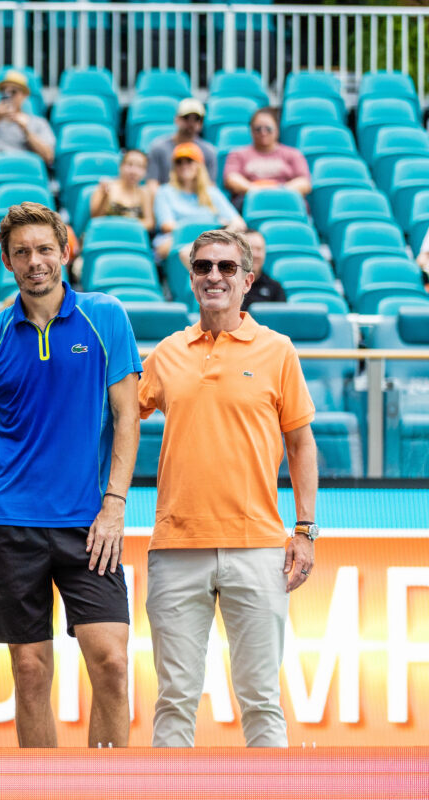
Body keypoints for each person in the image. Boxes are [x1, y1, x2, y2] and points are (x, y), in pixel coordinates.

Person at [0, 201, 140, 748]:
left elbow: (127, 418)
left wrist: (114, 506)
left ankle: (107, 792)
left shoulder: (105, 316)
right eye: (22, 252)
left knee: (111, 663)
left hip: (91, 525)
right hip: (11, 522)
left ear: (65, 252)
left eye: (45, 249)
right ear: (6, 261)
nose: (35, 261)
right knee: (31, 672)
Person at [139, 229, 318, 747]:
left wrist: (304, 530)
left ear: (247, 279)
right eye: (202, 267)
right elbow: (121, 418)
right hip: (175, 547)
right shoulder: (167, 354)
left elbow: (302, 445)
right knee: (174, 700)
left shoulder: (277, 350)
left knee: (262, 699)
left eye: (225, 267)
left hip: (259, 546)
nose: (213, 276)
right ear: (191, 277)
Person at [153, 143, 244, 260]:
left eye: (189, 161)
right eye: (179, 162)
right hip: (180, 239)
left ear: (199, 165)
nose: (184, 166)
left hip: (211, 241)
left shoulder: (211, 192)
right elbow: (167, 225)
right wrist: (213, 227)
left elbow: (238, 222)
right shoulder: (165, 191)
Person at [0, 69, 55, 165]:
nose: (9, 96)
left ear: (24, 95)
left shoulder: (38, 122)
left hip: (24, 170)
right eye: (4, 92)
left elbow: (48, 156)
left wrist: (26, 130)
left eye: (13, 92)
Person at [223, 108, 312, 205]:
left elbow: (304, 183)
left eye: (268, 129)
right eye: (258, 129)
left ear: (277, 129)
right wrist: (254, 190)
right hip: (250, 201)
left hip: (285, 200)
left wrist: (279, 191)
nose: (263, 133)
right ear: (251, 130)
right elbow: (231, 179)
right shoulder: (238, 154)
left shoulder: (293, 154)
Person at [146, 98, 217, 189]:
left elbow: (210, 187)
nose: (191, 123)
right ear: (177, 119)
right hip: (166, 200)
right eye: (186, 118)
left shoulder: (208, 151)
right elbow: (152, 184)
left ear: (202, 123)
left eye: (197, 119)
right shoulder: (158, 148)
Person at [89, 149, 155, 232]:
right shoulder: (106, 187)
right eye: (129, 164)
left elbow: (149, 222)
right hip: (106, 233)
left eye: (140, 166)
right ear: (121, 166)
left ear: (145, 172)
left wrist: (126, 227)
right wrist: (104, 196)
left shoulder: (144, 193)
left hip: (130, 236)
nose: (133, 171)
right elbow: (95, 218)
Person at [240, 229, 286, 311]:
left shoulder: (275, 288)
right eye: (250, 249)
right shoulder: (231, 284)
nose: (255, 254)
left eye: (259, 249)